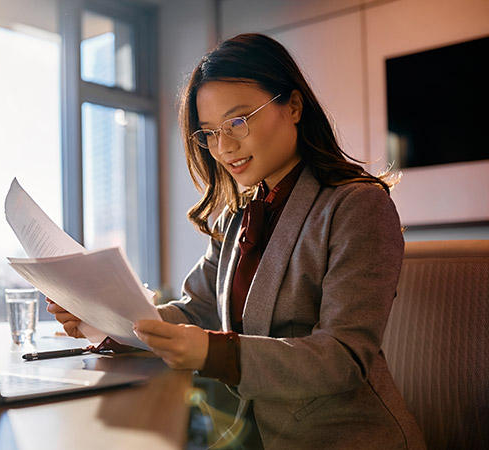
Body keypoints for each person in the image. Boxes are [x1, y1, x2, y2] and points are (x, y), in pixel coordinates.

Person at [47, 33, 425, 449]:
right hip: (250, 438)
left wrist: (215, 353)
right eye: (208, 133)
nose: (223, 148)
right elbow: (196, 310)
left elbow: (343, 357)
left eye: (238, 122)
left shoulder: (357, 206)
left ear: (294, 107)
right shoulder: (240, 215)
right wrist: (106, 321)